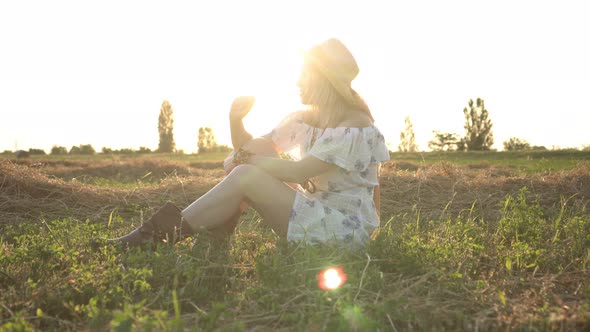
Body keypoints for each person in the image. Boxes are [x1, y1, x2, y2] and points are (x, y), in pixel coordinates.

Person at [107, 38, 390, 248]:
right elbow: (255, 147)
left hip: (345, 230)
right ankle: (210, 236)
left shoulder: (356, 126)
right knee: (254, 159)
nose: (298, 81)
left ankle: (152, 238)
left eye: (305, 74)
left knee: (246, 173)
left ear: (322, 79)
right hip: (316, 211)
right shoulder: (305, 119)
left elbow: (298, 172)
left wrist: (245, 161)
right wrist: (236, 122)